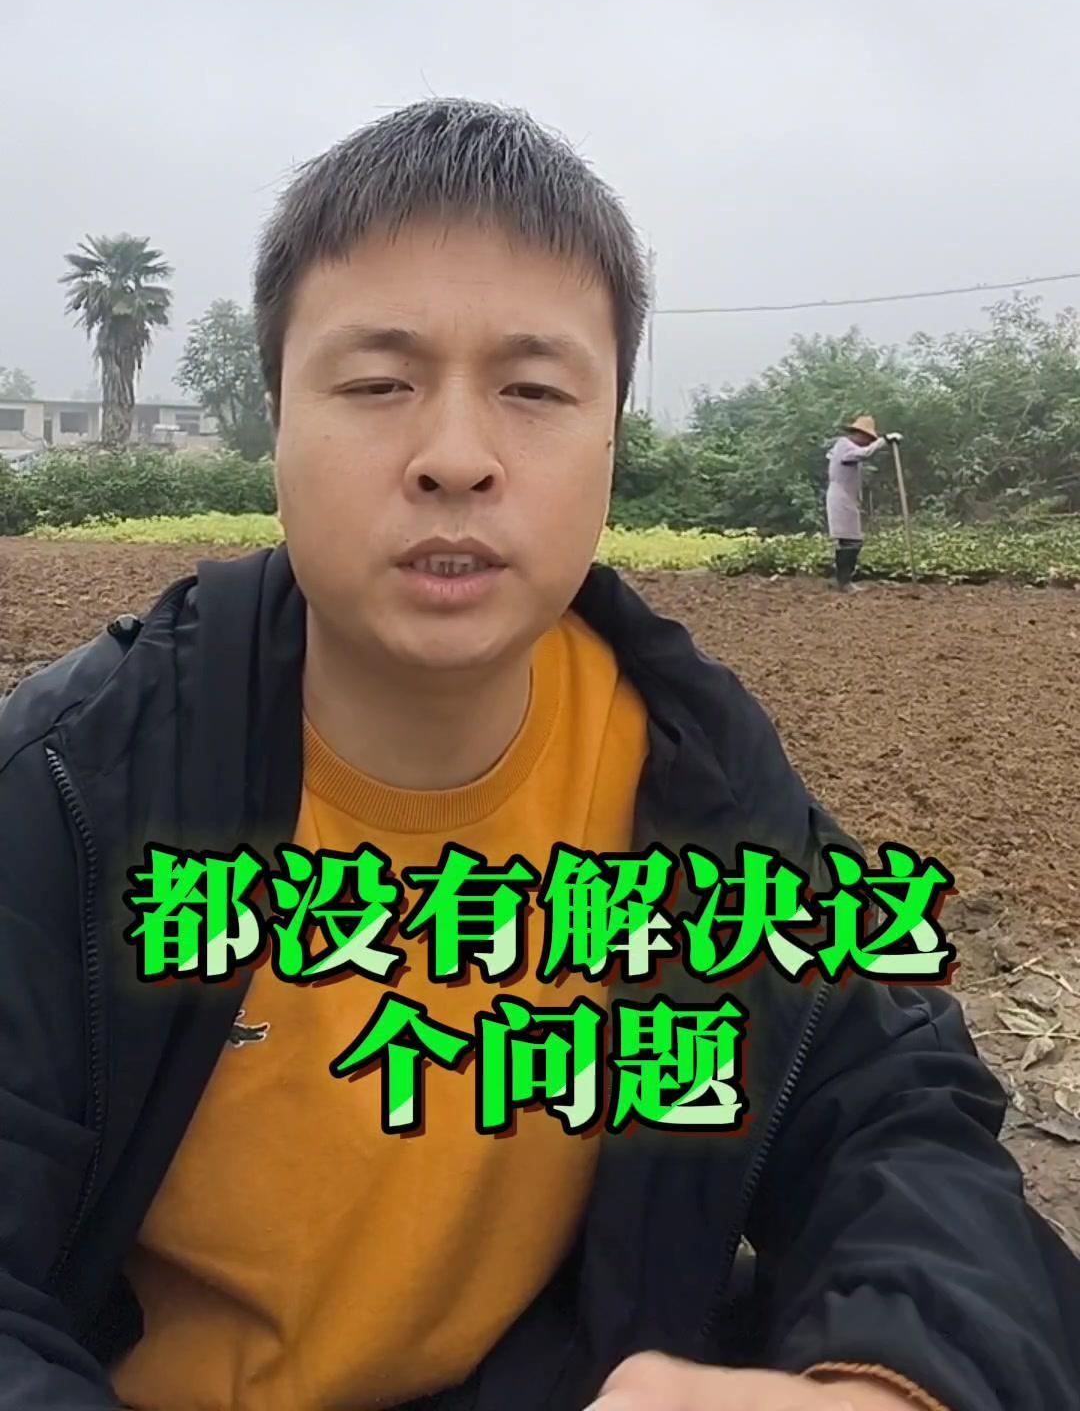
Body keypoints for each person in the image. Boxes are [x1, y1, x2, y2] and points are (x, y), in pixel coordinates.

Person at [1, 100, 1077, 1411]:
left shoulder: (698, 782)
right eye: (378, 384)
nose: (456, 459)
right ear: (274, 417)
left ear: (612, 436)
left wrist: (895, 1386)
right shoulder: (74, 790)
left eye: (534, 391)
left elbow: (892, 1110)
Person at [825, 414, 900, 591]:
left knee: (849, 540)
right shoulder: (845, 445)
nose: (867, 442)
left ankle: (840, 579)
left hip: (847, 498)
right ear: (859, 434)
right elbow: (865, 454)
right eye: (867, 438)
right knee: (851, 541)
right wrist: (884, 441)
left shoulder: (846, 448)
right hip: (840, 498)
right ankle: (843, 582)